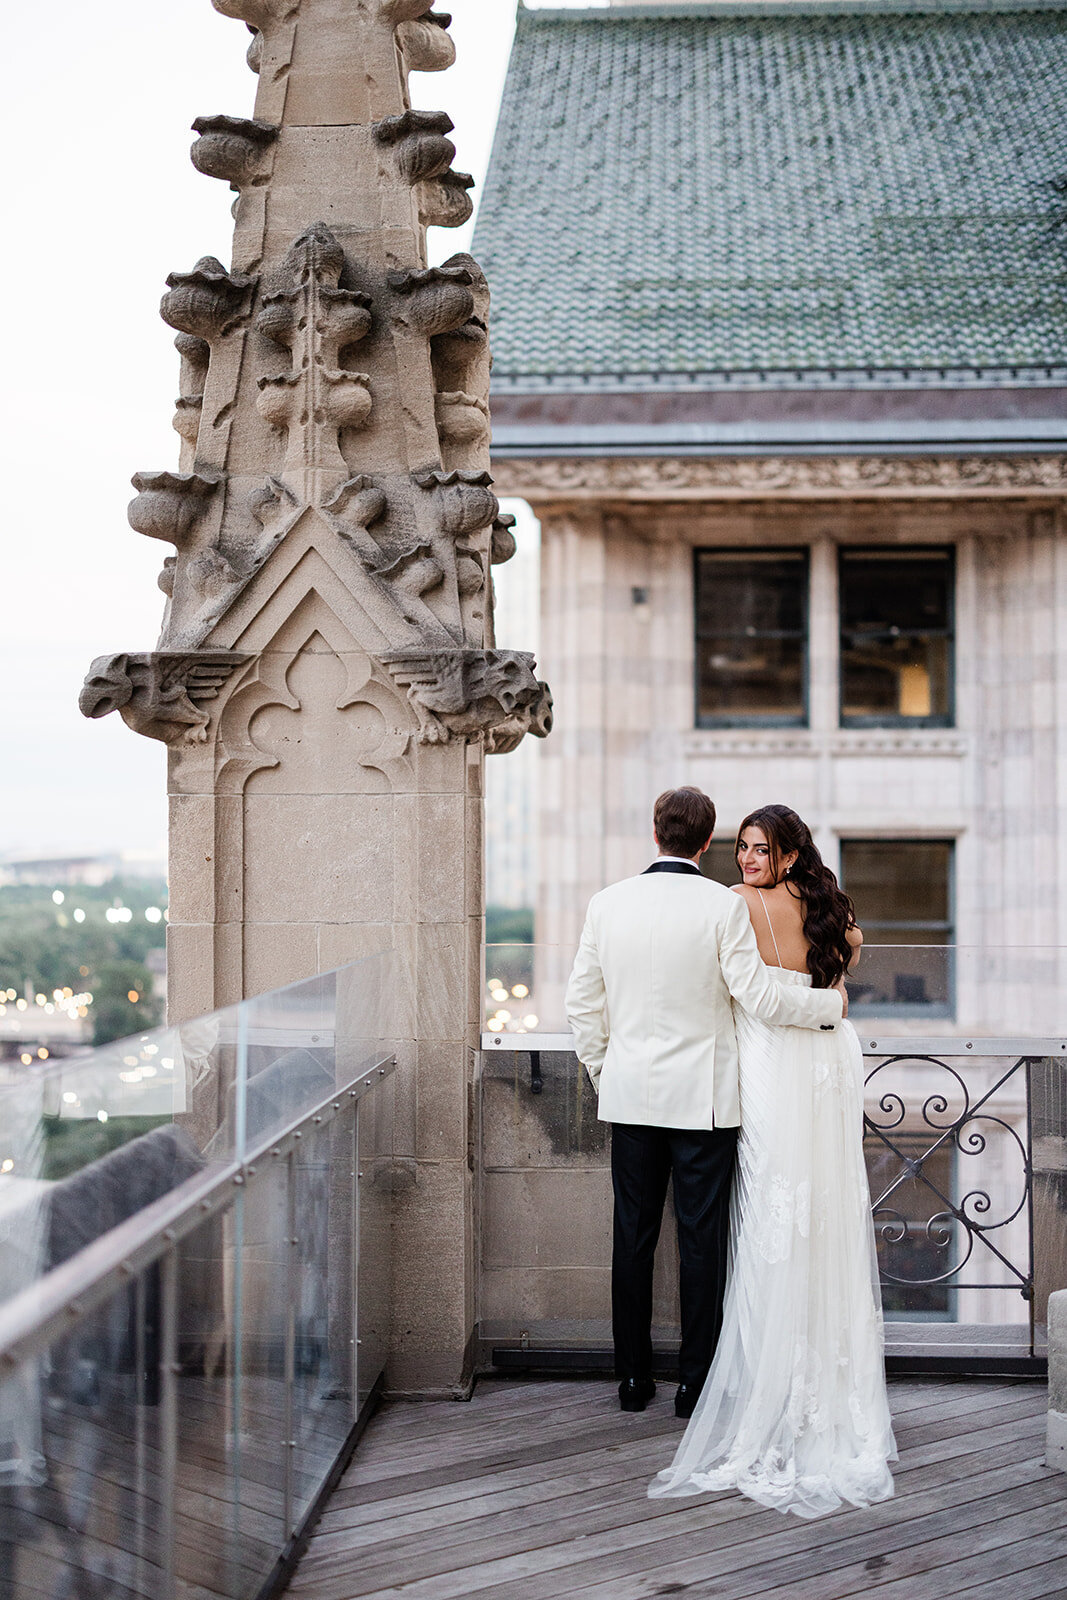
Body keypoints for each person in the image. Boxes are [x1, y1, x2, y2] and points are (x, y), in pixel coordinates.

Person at [565, 788, 845, 1419]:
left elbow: (583, 1004)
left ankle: (633, 1380)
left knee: (631, 1241)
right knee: (703, 1242)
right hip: (708, 1105)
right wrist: (830, 1007)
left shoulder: (607, 904)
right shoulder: (724, 907)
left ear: (655, 831)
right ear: (706, 842)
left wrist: (608, 1071)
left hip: (631, 1096)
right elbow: (757, 997)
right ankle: (695, 1385)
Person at [649, 804, 896, 1518]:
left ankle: (783, 1390)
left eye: (760, 849)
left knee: (785, 1209)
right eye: (741, 848)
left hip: (783, 1056)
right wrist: (827, 1004)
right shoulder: (825, 904)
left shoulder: (735, 906)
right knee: (797, 1207)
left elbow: (752, 996)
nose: (746, 860)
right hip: (821, 1052)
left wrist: (814, 1006)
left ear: (788, 853)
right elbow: (844, 959)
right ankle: (800, 1380)